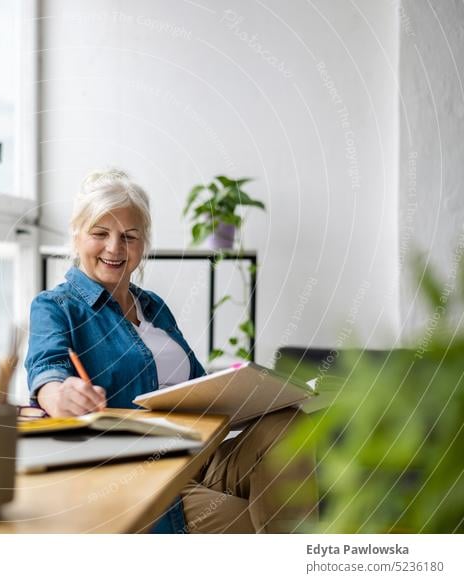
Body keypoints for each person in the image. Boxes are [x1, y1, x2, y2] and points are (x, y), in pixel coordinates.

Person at [24, 168, 317, 534]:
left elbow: (196, 385)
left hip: (199, 455)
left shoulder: (154, 307)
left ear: (143, 243)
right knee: (249, 521)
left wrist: (250, 394)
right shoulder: (55, 306)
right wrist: (55, 393)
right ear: (77, 236)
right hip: (145, 477)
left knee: (288, 424)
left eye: (129, 236)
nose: (115, 248)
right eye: (100, 234)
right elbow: (45, 367)